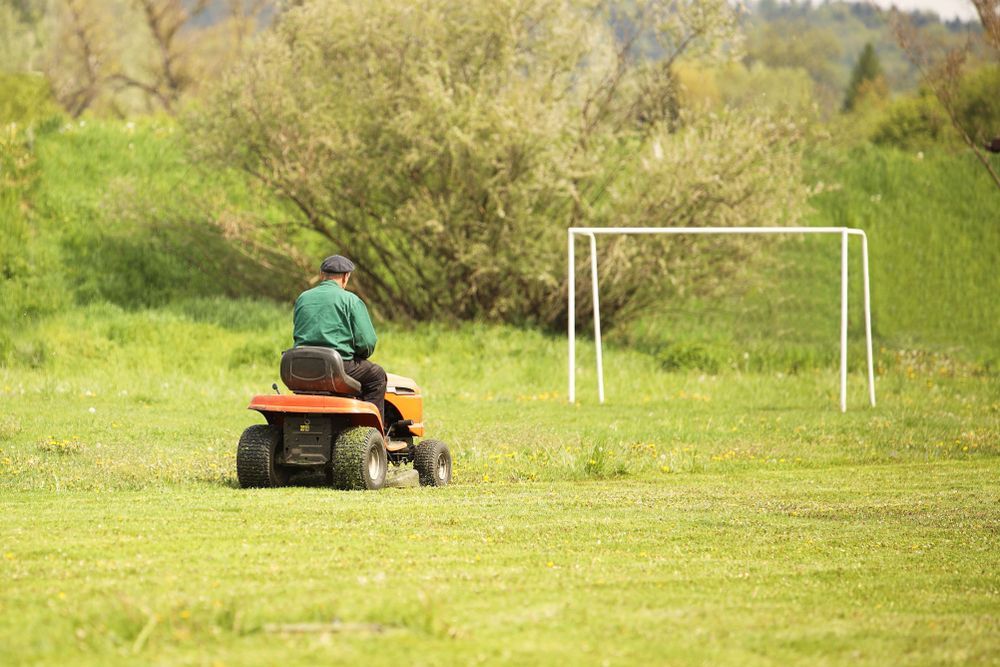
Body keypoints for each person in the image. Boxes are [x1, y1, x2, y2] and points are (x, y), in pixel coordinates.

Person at [292, 254, 387, 424]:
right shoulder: (350, 300)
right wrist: (359, 354)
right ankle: (371, 431)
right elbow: (367, 342)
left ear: (322, 275)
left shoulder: (303, 298)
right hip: (335, 367)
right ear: (346, 276)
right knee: (377, 376)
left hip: (300, 367)